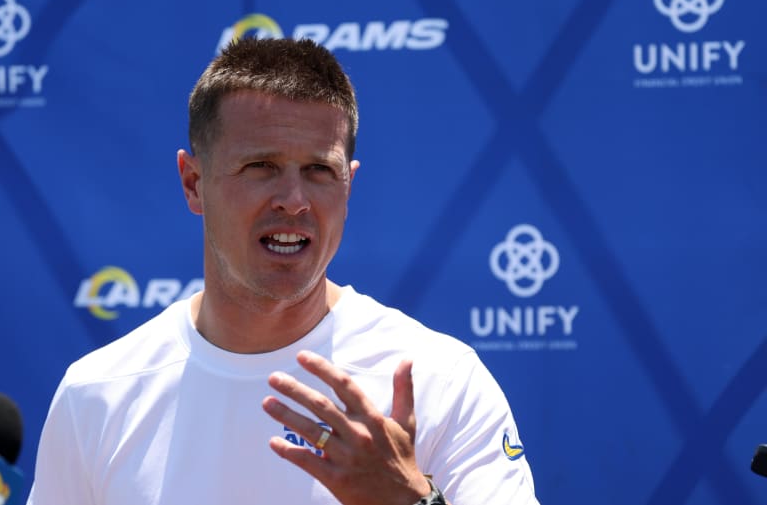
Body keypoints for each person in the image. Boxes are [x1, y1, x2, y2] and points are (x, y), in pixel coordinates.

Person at [26, 37, 539, 505]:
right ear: (192, 183)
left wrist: (411, 503)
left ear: (348, 185)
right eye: (261, 167)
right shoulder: (96, 394)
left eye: (319, 170)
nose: (294, 202)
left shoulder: (439, 380)